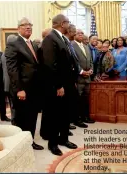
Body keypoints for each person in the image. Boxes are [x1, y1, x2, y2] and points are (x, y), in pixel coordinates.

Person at [41, 14, 78, 156]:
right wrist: (58, 86)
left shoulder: (62, 38)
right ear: (62, 23)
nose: (69, 24)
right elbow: (50, 65)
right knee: (55, 116)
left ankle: (64, 139)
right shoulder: (50, 38)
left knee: (65, 114)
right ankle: (53, 143)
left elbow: (67, 62)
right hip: (57, 85)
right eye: (68, 22)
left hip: (66, 83)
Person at [5, 17, 44, 150]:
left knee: (32, 117)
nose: (28, 27)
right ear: (18, 28)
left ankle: (30, 141)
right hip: (23, 89)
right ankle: (21, 144)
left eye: (30, 24)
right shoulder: (14, 43)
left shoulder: (32, 44)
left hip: (35, 88)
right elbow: (12, 69)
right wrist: (19, 89)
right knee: (22, 118)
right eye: (24, 25)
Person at [71, 29, 95, 125]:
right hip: (78, 78)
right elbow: (73, 62)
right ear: (74, 35)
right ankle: (77, 120)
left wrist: (91, 70)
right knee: (77, 100)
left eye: (82, 33)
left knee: (86, 99)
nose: (81, 35)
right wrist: (81, 71)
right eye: (79, 33)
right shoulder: (71, 45)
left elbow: (90, 61)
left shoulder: (86, 46)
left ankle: (86, 117)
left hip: (87, 78)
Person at [1, 35, 17, 124]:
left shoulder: (4, 52)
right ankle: (15, 120)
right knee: (14, 104)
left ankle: (14, 119)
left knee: (12, 104)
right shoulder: (10, 52)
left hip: (7, 83)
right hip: (12, 83)